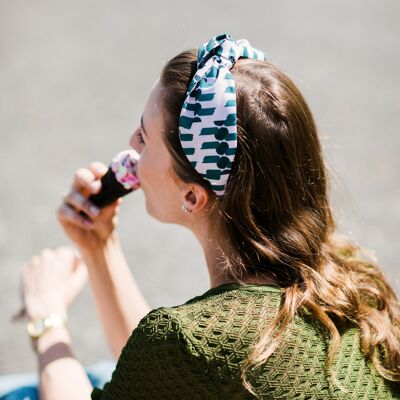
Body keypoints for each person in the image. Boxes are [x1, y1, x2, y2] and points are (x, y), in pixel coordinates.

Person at [11, 33, 400, 399]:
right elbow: (160, 377)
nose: (131, 143)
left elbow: (174, 357)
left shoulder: (189, 340)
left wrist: (47, 320)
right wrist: (99, 246)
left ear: (193, 195)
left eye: (144, 138)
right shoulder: (358, 284)